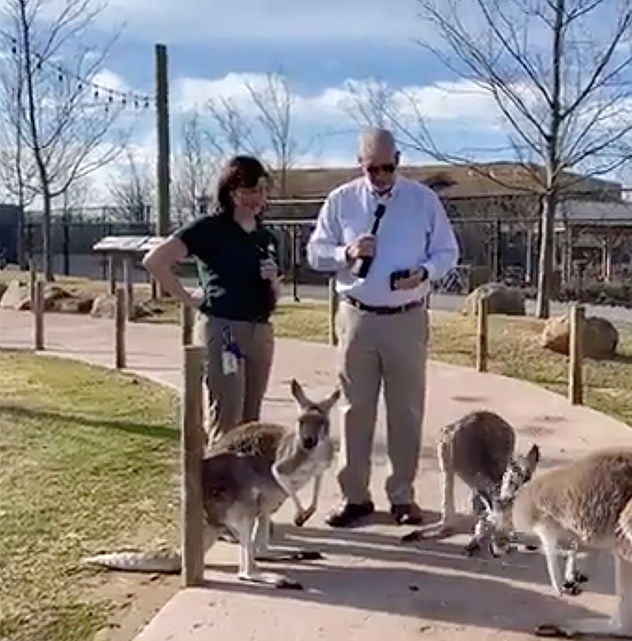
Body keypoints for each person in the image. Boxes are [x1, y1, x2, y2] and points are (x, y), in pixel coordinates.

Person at [305, 128, 459, 527]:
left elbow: (447, 251)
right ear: (360, 164)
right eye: (372, 168)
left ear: (399, 161)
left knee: (405, 410)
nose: (381, 176)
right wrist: (347, 252)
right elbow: (315, 253)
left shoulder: (422, 201)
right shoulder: (341, 201)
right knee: (355, 409)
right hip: (357, 316)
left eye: (388, 167)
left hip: (407, 316)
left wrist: (424, 272)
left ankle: (402, 496)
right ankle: (354, 496)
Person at [143, 155, 281, 444]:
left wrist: (273, 281)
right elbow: (155, 261)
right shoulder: (210, 228)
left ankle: (243, 487)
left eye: (263, 190)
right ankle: (215, 484)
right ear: (232, 192)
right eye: (251, 191)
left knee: (251, 422)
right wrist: (187, 298)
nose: (258, 198)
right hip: (224, 329)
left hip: (260, 331)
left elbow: (274, 297)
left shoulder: (267, 236)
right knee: (227, 417)